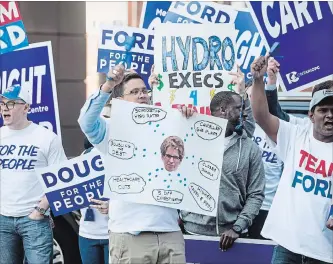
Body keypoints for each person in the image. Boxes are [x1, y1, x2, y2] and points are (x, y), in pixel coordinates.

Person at [78, 65, 194, 264]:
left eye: (144, 91)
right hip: (131, 235)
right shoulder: (110, 129)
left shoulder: (169, 126)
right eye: (134, 92)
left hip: (170, 232)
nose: (142, 95)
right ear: (119, 101)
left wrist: (187, 119)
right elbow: (86, 121)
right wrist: (109, 85)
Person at [250, 55, 333, 263]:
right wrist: (258, 80)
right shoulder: (295, 136)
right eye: (323, 110)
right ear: (311, 115)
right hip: (287, 248)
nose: (329, 115)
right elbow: (261, 116)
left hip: (325, 253)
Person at [179, 67, 265, 252]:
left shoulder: (249, 147)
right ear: (223, 110)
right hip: (191, 232)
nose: (244, 113)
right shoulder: (191, 139)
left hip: (233, 236)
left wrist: (238, 227)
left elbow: (256, 194)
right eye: (239, 108)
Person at [0, 84, 67, 264]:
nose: (4, 108)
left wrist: (41, 209)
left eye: (11, 103)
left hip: (34, 219)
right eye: (2, 103)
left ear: (26, 108)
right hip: (3, 220)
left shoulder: (46, 138)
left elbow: (62, 179)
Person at [248, 57, 284, 239]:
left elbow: (273, 107)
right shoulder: (242, 129)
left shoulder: (279, 127)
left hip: (272, 207)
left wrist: (270, 80)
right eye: (251, 96)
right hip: (245, 208)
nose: (255, 101)